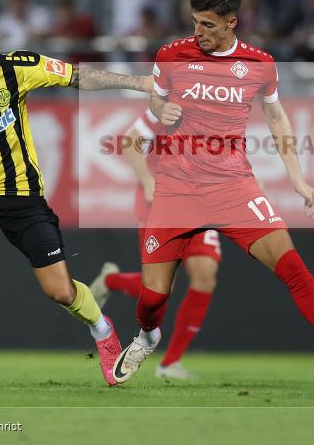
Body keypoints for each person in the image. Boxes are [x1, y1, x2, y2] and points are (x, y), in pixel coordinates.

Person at [110, 0, 314, 385]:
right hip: (178, 188)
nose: (197, 32)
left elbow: (276, 117)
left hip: (232, 186)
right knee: (153, 298)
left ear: (232, 22)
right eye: (194, 23)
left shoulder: (260, 64)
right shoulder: (170, 55)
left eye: (208, 25)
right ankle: (148, 337)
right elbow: (156, 100)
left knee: (292, 265)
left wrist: (297, 178)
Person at [0, 8, 152, 388]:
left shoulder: (15, 69)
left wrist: (139, 83)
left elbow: (78, 76)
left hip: (22, 196)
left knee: (60, 291)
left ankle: (103, 331)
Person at [90, 108, 221, 379]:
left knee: (205, 276)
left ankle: (170, 363)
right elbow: (130, 143)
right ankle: (111, 281)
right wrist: (148, 181)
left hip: (198, 203)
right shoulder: (169, 107)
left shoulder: (217, 106)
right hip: (160, 202)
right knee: (162, 287)